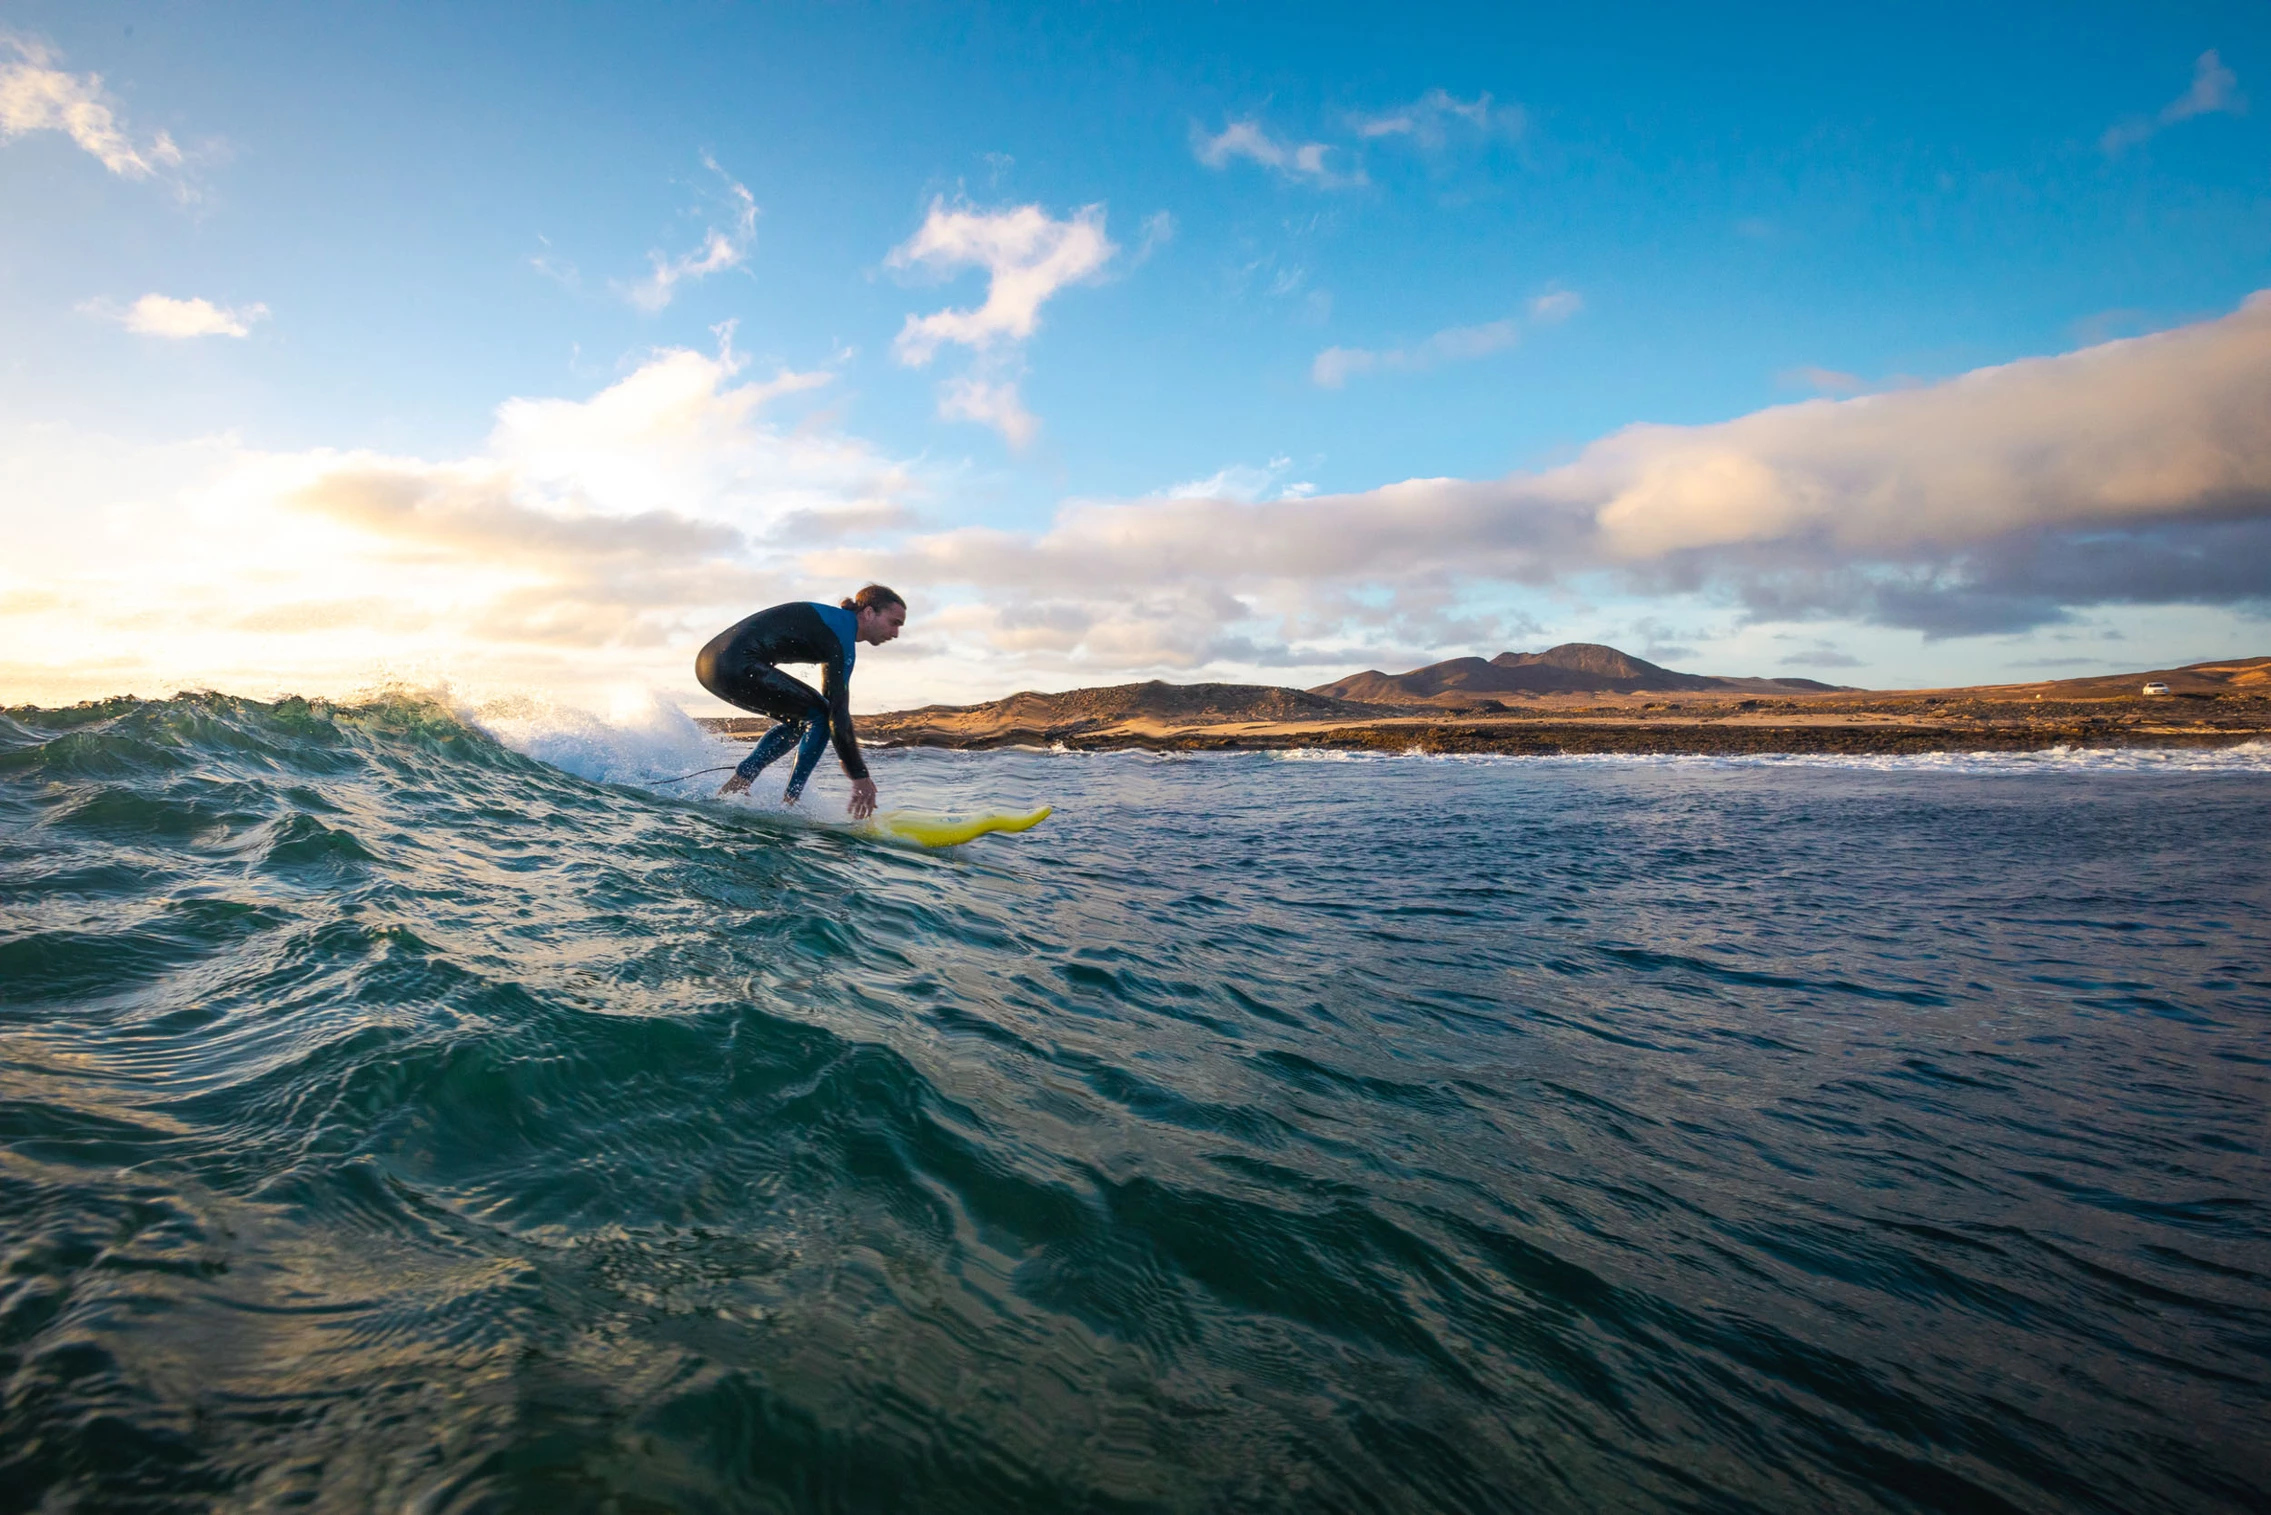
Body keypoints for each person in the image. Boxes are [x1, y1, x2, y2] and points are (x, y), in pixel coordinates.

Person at [694, 585, 906, 817]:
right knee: (819, 717)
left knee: (804, 719)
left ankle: (735, 788)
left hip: (711, 664)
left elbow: (832, 704)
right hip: (733, 663)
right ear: (868, 613)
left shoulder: (835, 627)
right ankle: (789, 805)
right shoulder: (841, 634)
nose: (896, 633)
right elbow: (836, 713)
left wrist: (850, 762)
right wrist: (859, 775)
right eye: (894, 622)